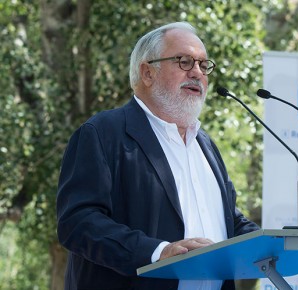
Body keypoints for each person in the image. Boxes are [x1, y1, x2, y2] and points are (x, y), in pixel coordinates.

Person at [56, 22, 260, 290]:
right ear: (147, 72)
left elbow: (227, 219)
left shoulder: (205, 144)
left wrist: (270, 242)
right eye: (185, 62)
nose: (197, 73)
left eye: (203, 65)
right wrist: (157, 252)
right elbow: (78, 223)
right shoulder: (103, 134)